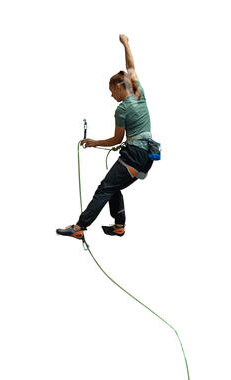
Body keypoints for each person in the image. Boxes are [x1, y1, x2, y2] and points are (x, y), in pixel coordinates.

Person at [57, 34, 155, 240]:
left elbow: (116, 140)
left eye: (112, 91)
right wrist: (126, 44)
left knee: (105, 188)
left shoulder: (122, 109)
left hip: (134, 155)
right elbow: (131, 67)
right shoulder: (139, 92)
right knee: (113, 186)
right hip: (147, 156)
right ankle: (119, 226)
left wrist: (93, 143)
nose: (112, 96)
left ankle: (79, 227)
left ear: (120, 87)